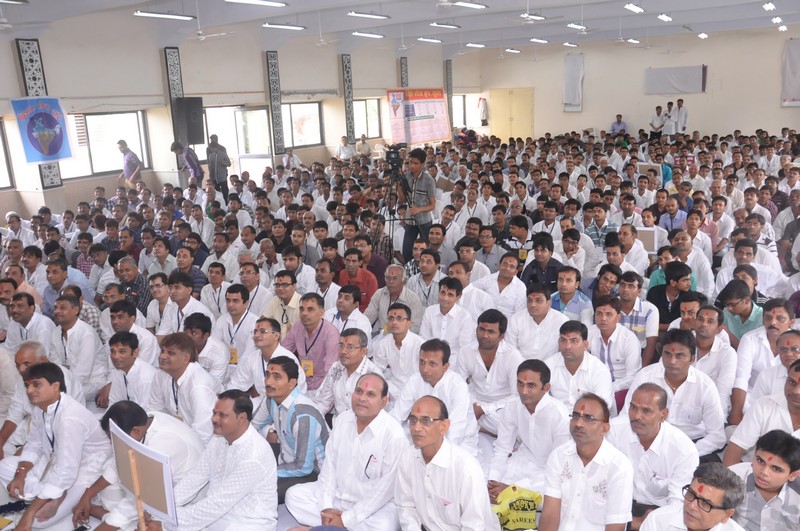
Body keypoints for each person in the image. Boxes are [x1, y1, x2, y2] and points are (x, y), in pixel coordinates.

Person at [285, 373, 407, 530]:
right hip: (338, 498)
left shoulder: (394, 435)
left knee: (384, 525)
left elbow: (385, 490)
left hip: (372, 507)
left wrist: (348, 519)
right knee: (293, 496)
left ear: (384, 401)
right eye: (359, 391)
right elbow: (329, 468)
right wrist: (326, 507)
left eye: (370, 394)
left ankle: (329, 526)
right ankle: (333, 523)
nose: (362, 398)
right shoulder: (342, 420)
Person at [0, 362, 110, 530]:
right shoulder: (40, 407)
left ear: (56, 386)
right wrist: (20, 474)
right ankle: (48, 496)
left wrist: (30, 513)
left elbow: (66, 472)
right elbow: (34, 444)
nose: (29, 390)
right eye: (27, 385)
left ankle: (66, 500)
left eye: (36, 384)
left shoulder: (69, 417)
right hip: (56, 462)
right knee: (4, 467)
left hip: (86, 473)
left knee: (36, 521)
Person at [172, 389, 278, 530]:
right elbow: (195, 477)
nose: (214, 419)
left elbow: (219, 503)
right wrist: (166, 508)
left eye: (222, 415)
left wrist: (169, 522)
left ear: (242, 418)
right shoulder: (219, 438)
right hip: (218, 515)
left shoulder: (254, 455)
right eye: (214, 413)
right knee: (171, 515)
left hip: (246, 523)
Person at [395, 396, 500, 530]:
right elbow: (406, 507)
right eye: (413, 420)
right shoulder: (408, 458)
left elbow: (474, 526)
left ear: (444, 426)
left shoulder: (465, 468)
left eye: (426, 420)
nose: (416, 428)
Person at [624, 329, 726, 463]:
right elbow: (625, 416)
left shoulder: (705, 386)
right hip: (648, 441)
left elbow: (717, 436)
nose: (672, 361)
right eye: (667, 354)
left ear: (692, 358)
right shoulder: (645, 376)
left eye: (679, 356)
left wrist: (687, 452)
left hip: (692, 444)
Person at [606, 383, 699, 529]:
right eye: (633, 407)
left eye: (646, 411)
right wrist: (632, 523)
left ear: (663, 415)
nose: (636, 416)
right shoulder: (613, 431)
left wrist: (652, 521)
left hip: (659, 514)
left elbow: (677, 507)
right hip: (616, 507)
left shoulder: (683, 450)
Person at [539, 393, 634, 531]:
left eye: (589, 418)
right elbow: (549, 517)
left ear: (605, 429)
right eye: (575, 416)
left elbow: (615, 527)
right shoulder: (559, 456)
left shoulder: (619, 468)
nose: (578, 423)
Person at [488, 359, 571, 499]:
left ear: (546, 388)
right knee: (486, 484)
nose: (523, 391)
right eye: (520, 383)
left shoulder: (559, 415)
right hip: (523, 462)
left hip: (549, 473)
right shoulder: (512, 406)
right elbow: (502, 449)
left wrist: (513, 490)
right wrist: (493, 480)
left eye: (531, 385)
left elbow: (560, 467)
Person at [252, 355, 329, 504]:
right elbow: (252, 426)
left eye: (276, 377)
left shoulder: (302, 414)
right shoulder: (271, 399)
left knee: (262, 490)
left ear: (292, 383)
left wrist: (268, 472)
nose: (268, 382)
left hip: (314, 472)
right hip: (286, 458)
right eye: (267, 375)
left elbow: (303, 466)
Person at [390, 338, 478, 454]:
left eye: (432, 364)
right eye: (422, 362)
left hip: (458, 441)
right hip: (422, 434)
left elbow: (456, 430)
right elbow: (396, 416)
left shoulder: (457, 386)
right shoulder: (415, 380)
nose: (425, 369)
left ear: (445, 366)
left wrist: (433, 452)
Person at [723, 359, 800, 466]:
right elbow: (735, 450)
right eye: (792, 382)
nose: (796, 391)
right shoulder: (764, 406)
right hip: (756, 473)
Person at [149, 332, 222, 443]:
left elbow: (203, 434)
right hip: (178, 436)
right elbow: (156, 413)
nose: (162, 356)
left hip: (206, 442)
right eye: (162, 351)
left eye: (171, 353)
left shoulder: (199, 387)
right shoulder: (160, 375)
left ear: (186, 358)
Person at [728, 429, 800, 530]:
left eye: (776, 469)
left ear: (793, 475)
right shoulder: (733, 476)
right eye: (760, 461)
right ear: (754, 455)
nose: (764, 472)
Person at [640, 463, 745, 531]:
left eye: (705, 503)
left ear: (727, 514)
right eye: (691, 494)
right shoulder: (658, 521)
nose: (692, 506)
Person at [587, 295, 642, 408]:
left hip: (621, 388)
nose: (603, 318)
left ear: (618, 317)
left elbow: (633, 376)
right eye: (599, 314)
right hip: (594, 385)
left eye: (609, 314)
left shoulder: (629, 339)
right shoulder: (589, 333)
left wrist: (609, 387)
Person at [546, 320, 614, 411]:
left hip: (588, 417)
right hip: (557, 417)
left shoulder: (599, 370)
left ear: (585, 345)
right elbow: (540, 400)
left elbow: (601, 409)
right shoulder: (549, 365)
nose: (567, 346)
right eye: (563, 340)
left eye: (574, 341)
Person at [313, 329, 382, 418]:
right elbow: (323, 401)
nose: (343, 351)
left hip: (362, 423)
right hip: (337, 422)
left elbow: (375, 413)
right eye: (341, 346)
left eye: (350, 347)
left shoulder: (373, 376)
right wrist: (313, 419)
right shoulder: (336, 368)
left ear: (363, 351)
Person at [282, 292, 340, 392]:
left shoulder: (331, 333)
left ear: (321, 313)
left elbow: (330, 371)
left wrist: (320, 393)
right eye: (301, 309)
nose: (304, 313)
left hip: (321, 386)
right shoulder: (297, 327)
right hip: (299, 382)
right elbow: (282, 353)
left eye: (310, 309)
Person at [371, 302, 425, 398]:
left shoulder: (420, 345)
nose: (394, 322)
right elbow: (376, 369)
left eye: (399, 318)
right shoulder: (384, 343)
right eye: (391, 318)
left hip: (417, 390)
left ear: (409, 323)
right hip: (393, 390)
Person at [418, 277, 475, 365]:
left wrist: (447, 365)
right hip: (430, 361)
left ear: (458, 297)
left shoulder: (464, 316)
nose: (445, 298)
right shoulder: (429, 311)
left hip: (455, 363)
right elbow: (423, 339)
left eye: (450, 295)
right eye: (443, 293)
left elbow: (464, 348)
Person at [505, 284, 569, 360]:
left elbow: (565, 350)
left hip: (552, 365)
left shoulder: (562, 321)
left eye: (538, 301)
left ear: (548, 303)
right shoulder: (515, 320)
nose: (533, 305)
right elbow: (510, 349)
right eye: (530, 300)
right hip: (520, 365)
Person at [401, 148, 437, 262]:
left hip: (424, 221)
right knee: (407, 251)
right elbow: (402, 200)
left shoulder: (429, 180)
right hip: (409, 220)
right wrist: (398, 186)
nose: (412, 166)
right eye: (410, 162)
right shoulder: (405, 176)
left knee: (426, 251)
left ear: (422, 164)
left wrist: (418, 209)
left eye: (415, 163)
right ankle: (410, 270)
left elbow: (432, 205)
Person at [107, 331, 157, 408]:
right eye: (112, 351)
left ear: (135, 352)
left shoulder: (145, 378)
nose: (116, 357)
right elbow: (114, 402)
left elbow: (145, 412)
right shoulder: (118, 370)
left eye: (122, 352)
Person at [207, 134, 232, 200]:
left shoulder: (223, 153)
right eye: (211, 149)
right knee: (216, 192)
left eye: (213, 148)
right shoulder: (211, 156)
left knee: (225, 191)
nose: (212, 150)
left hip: (222, 176)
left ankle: (226, 202)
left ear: (216, 147)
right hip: (214, 177)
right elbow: (210, 165)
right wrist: (210, 175)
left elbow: (229, 164)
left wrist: (222, 162)